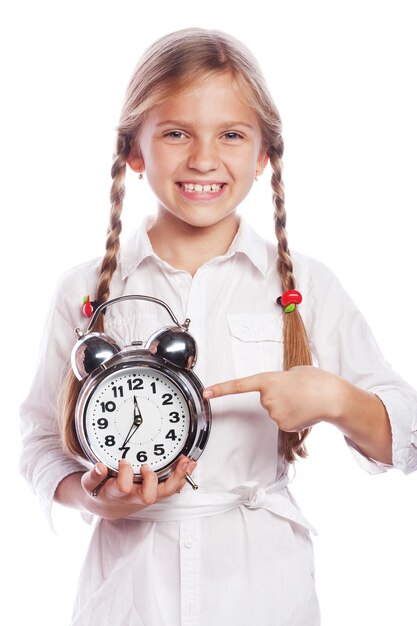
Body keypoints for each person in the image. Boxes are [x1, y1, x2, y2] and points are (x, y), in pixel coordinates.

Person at [20, 27, 417, 626]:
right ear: (134, 150)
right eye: (176, 133)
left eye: (231, 135)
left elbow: (404, 440)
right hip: (131, 601)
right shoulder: (84, 291)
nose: (204, 158)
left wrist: (335, 399)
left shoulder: (302, 288)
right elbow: (40, 444)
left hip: (263, 594)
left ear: (263, 156)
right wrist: (100, 501)